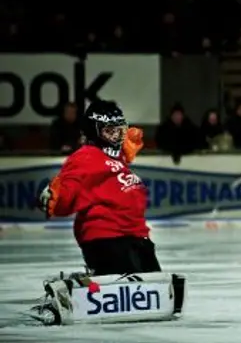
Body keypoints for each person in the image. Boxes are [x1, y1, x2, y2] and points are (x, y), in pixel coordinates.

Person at [35, 100, 185, 325]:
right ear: (95, 133)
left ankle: (91, 281)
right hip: (106, 236)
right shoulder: (84, 157)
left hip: (135, 236)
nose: (116, 136)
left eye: (119, 130)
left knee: (153, 291)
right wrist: (56, 197)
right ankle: (78, 289)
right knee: (135, 294)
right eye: (109, 131)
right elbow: (68, 192)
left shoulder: (115, 157)